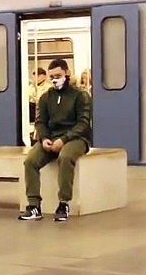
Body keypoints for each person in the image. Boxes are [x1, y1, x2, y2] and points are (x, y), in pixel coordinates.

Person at [19, 58, 92, 223]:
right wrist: (44, 138)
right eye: (52, 76)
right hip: (51, 138)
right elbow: (40, 122)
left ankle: (63, 203)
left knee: (65, 157)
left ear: (67, 73)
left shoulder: (81, 96)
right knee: (30, 161)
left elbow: (83, 123)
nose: (54, 79)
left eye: (58, 75)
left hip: (76, 138)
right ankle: (34, 205)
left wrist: (64, 139)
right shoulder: (45, 97)